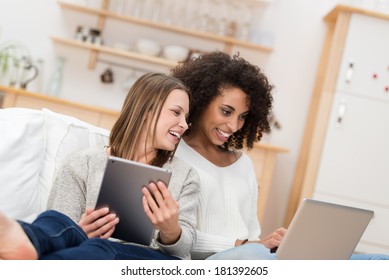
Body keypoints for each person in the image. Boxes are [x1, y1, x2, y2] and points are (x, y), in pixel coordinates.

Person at [171, 51, 389, 260]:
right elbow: (173, 235)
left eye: (243, 116)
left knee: (379, 261)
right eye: (226, 111)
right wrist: (243, 246)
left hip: (252, 258)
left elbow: (253, 234)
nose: (234, 125)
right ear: (200, 101)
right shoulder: (174, 155)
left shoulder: (242, 164)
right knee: (254, 255)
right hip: (214, 262)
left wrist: (268, 244)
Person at [0, 72, 200, 260]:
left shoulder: (185, 176)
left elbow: (184, 249)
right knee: (55, 220)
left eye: (186, 118)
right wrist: (81, 231)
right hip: (87, 252)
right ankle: (23, 238)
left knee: (99, 247)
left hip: (153, 262)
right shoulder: (82, 163)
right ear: (146, 110)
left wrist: (171, 230)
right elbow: (62, 229)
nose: (184, 124)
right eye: (176, 113)